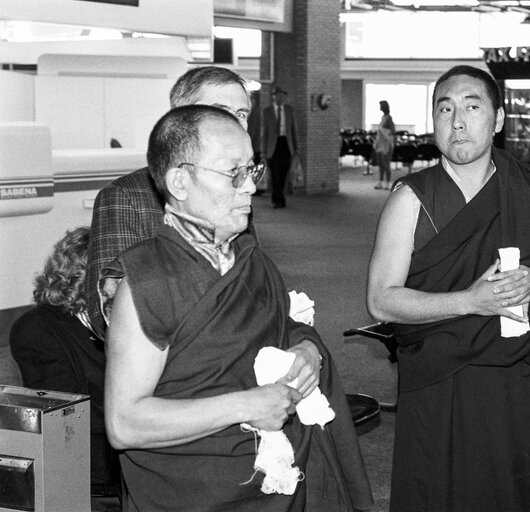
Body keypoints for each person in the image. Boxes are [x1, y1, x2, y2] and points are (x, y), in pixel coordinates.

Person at [104, 105, 372, 511]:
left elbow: (283, 324)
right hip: (199, 489)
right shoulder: (148, 279)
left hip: (276, 474)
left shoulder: (249, 256)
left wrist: (308, 350)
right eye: (233, 173)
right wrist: (246, 404)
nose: (249, 187)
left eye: (252, 170)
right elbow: (124, 424)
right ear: (180, 180)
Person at [366, 65, 530, 512]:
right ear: (434, 120)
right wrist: (471, 301)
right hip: (440, 378)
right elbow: (381, 299)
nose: (457, 121)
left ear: (498, 119)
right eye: (445, 109)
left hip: (514, 375)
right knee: (443, 491)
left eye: (472, 106)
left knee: (515, 489)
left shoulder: (525, 187)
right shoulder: (412, 197)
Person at [85, 65, 253, 340]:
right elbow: (109, 316)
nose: (235, 122)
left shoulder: (239, 190)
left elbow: (251, 285)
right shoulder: (127, 197)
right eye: (221, 110)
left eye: (242, 113)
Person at [10, 227, 121, 511]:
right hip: (91, 481)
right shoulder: (36, 329)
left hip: (136, 465)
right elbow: (72, 416)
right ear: (87, 277)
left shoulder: (122, 320)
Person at [260, 84, 298, 209]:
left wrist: (296, 149)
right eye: (278, 96)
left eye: (283, 96)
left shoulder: (289, 110)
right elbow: (264, 133)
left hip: (286, 144)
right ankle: (278, 200)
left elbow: (293, 130)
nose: (281, 98)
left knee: (283, 173)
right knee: (275, 173)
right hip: (272, 146)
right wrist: (263, 151)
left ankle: (277, 196)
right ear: (274, 97)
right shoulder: (267, 112)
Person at [373, 100, 395, 190]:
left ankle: (389, 182)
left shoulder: (389, 118)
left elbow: (393, 131)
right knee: (381, 164)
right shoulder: (383, 117)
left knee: (386, 164)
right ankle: (381, 181)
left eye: (381, 105)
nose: (380, 107)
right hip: (380, 144)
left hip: (386, 144)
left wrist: (384, 131)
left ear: (384, 107)